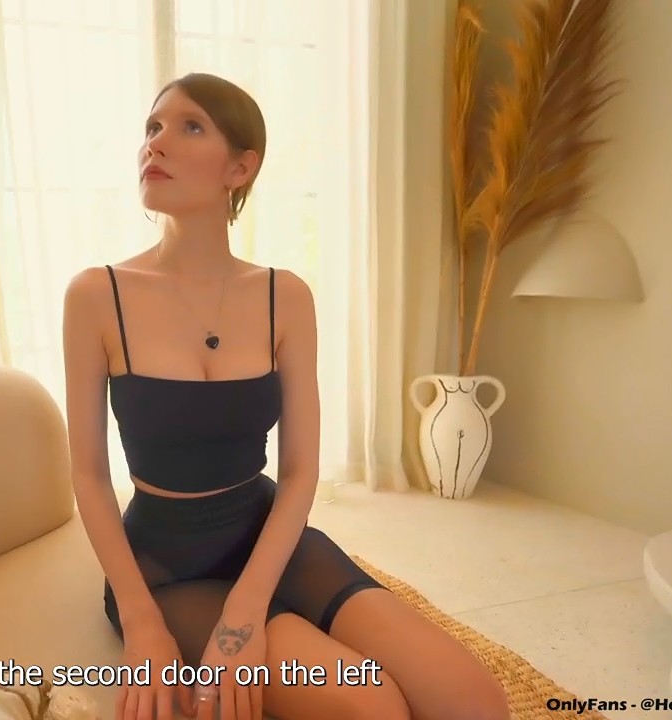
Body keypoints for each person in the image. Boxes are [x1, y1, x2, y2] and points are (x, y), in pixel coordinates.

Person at [60, 72, 510, 720]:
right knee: (372, 708)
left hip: (267, 532)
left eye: (189, 127)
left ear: (241, 167)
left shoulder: (285, 296)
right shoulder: (95, 295)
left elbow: (299, 471)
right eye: (152, 127)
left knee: (475, 700)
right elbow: (88, 474)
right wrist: (141, 621)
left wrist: (247, 609)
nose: (155, 143)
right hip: (166, 566)